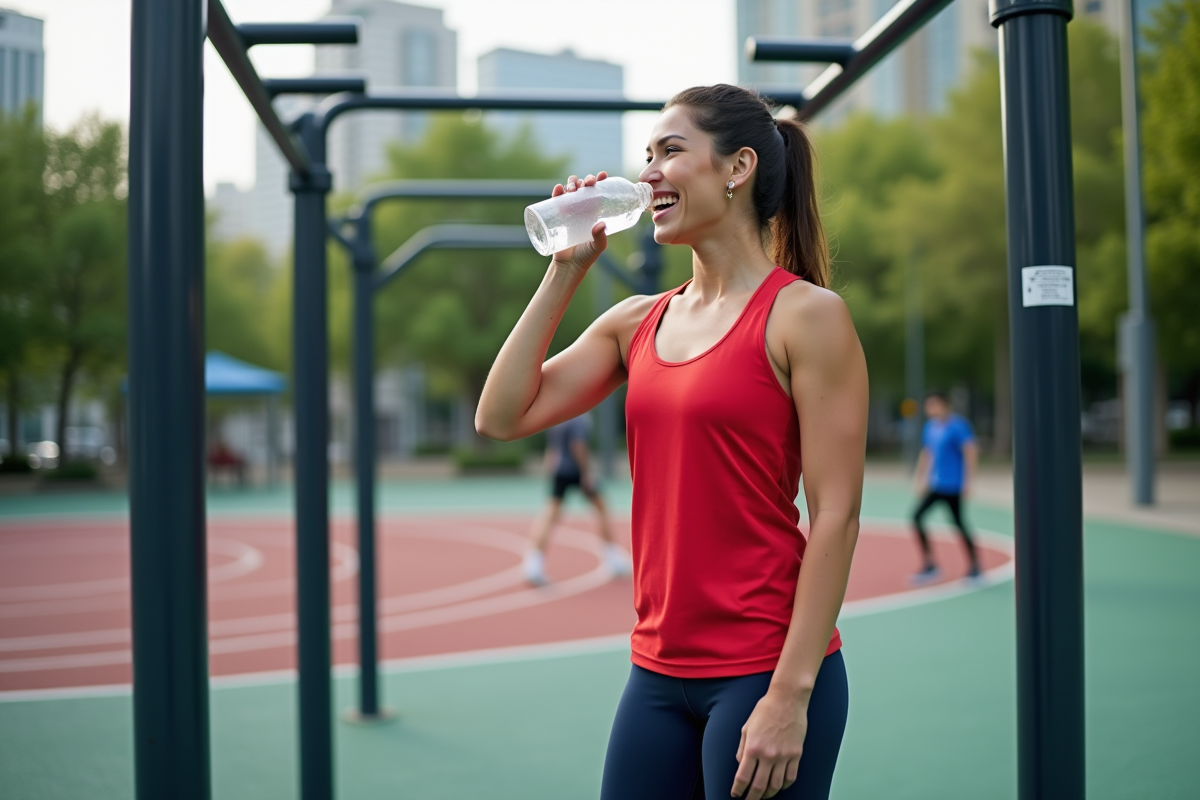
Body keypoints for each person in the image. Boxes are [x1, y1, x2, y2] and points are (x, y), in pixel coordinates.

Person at [476, 84, 867, 800]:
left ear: (737, 166)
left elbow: (836, 515)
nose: (648, 172)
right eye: (647, 155)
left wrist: (790, 694)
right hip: (656, 674)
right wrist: (564, 271)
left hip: (765, 668)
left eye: (670, 151)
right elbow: (501, 416)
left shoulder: (806, 316)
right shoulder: (635, 323)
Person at [523, 413, 631, 585]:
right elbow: (578, 446)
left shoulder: (557, 416)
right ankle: (612, 560)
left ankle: (533, 565)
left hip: (559, 470)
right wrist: (587, 473)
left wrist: (551, 469)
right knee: (602, 507)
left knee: (550, 514)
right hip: (576, 471)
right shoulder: (579, 417)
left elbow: (552, 448)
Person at [910, 390, 981, 583]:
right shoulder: (930, 428)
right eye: (928, 406)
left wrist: (968, 481)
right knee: (916, 518)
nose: (930, 409)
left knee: (959, 524)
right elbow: (928, 452)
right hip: (936, 484)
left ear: (944, 405)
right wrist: (921, 477)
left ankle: (975, 566)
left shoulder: (958, 426)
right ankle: (930, 565)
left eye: (934, 405)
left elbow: (970, 451)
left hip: (953, 485)